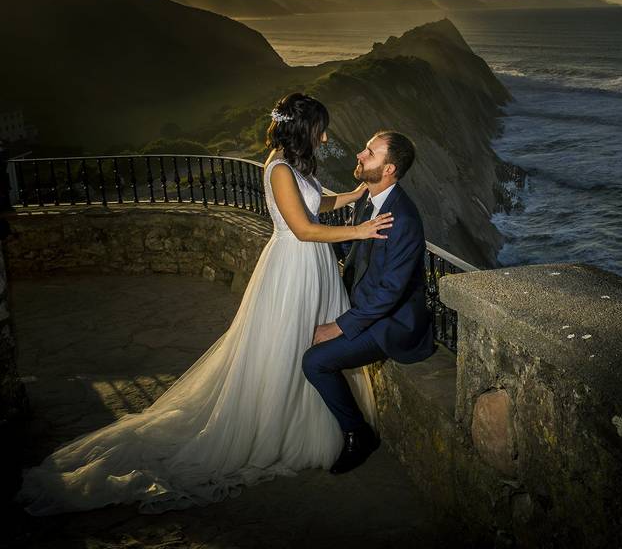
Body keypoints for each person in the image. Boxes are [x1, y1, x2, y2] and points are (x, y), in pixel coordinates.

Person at [18, 93, 393, 514]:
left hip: (313, 265)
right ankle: (284, 425)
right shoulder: (280, 169)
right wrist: (360, 232)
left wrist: (352, 194)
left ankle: (319, 422)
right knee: (286, 348)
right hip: (294, 269)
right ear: (301, 132)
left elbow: (316, 203)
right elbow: (304, 229)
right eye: (318, 130)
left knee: (308, 346)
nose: (324, 137)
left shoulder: (295, 166)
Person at [303, 130, 434, 475]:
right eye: (365, 149)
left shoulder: (402, 218)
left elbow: (389, 293)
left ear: (389, 169)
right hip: (363, 308)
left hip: (392, 323)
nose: (359, 155)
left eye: (370, 153)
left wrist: (339, 326)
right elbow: (354, 253)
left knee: (315, 361)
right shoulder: (367, 199)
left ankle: (357, 435)